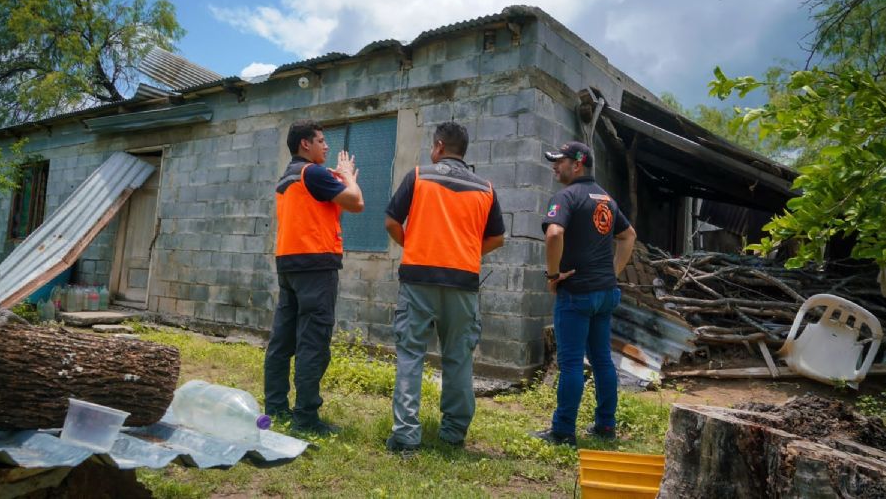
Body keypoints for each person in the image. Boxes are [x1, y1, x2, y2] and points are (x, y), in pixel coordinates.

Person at [383, 121, 506, 452]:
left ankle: (406, 437)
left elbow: (392, 221)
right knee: (458, 359)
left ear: (438, 147)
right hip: (462, 283)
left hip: (418, 280)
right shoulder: (486, 189)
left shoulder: (420, 176)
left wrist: (413, 245)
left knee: (411, 356)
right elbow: (497, 237)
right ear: (462, 152)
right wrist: (465, 251)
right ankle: (453, 434)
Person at [532, 141, 636, 447]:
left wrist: (552, 276)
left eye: (559, 161)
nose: (554, 166)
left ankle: (563, 431)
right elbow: (628, 235)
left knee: (572, 363)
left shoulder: (566, 197)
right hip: (605, 292)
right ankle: (606, 425)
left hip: (576, 293)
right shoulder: (607, 199)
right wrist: (613, 273)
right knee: (602, 359)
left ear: (577, 164)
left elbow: (554, 233)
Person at [264, 119, 364, 436]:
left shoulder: (288, 176)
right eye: (321, 140)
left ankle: (276, 408)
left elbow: (326, 208)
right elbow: (357, 202)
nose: (327, 146)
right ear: (304, 144)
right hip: (315, 268)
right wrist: (347, 175)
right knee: (313, 342)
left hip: (289, 266)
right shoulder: (313, 172)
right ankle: (306, 418)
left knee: (282, 341)